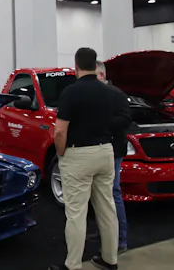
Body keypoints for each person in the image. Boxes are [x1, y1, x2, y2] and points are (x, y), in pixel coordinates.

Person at [49, 48, 119, 270]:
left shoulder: (71, 92)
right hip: (105, 152)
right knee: (107, 208)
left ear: (76, 65)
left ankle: (72, 265)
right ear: (95, 65)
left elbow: (60, 131)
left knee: (76, 213)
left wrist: (61, 153)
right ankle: (110, 259)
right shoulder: (109, 92)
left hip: (79, 155)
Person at [96, 60, 132, 254]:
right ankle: (105, 233)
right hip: (97, 148)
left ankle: (120, 240)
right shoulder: (94, 94)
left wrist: (102, 124)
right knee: (101, 194)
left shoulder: (116, 94)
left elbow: (126, 119)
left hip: (113, 149)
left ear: (101, 75)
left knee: (112, 192)